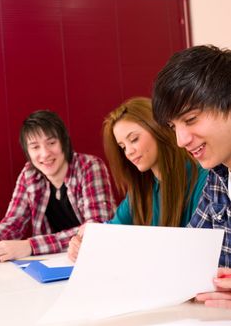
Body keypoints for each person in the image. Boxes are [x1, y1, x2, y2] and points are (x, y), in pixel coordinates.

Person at [68, 97, 208, 261]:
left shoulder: (202, 177)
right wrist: (85, 238)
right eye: (123, 147)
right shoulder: (141, 188)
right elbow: (113, 229)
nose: (128, 152)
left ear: (159, 129)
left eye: (134, 139)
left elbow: (196, 250)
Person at [152, 44, 231, 308]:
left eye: (191, 119)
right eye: (174, 127)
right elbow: (188, 252)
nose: (180, 140)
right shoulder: (217, 176)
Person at [0, 110, 116, 262]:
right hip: (53, 261)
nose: (45, 153)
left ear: (64, 142)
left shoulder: (90, 167)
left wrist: (31, 246)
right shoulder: (29, 174)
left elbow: (96, 227)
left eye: (51, 143)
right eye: (35, 147)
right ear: (27, 151)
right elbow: (13, 223)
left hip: (94, 259)